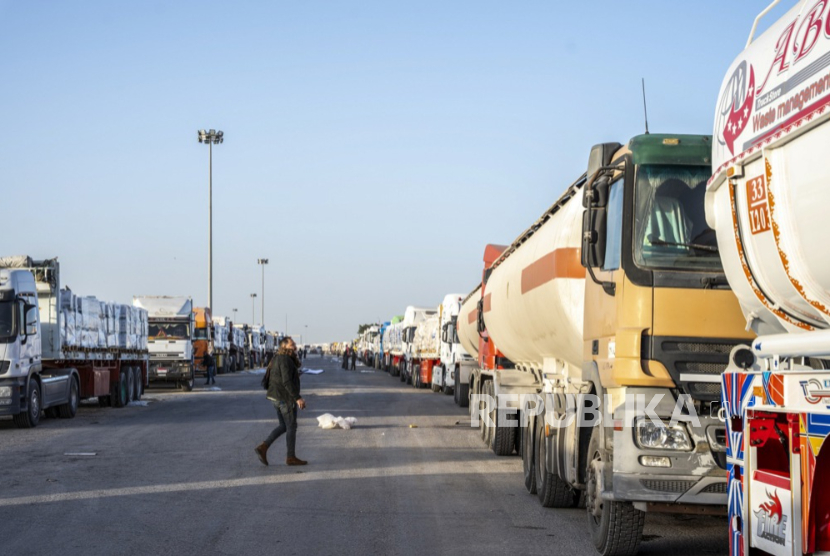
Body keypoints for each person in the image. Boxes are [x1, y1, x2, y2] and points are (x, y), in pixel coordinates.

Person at [255, 337, 307, 466]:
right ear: (284, 346)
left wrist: (296, 374)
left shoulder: (279, 357)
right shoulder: (284, 359)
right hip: (284, 398)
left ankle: (263, 447)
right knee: (291, 426)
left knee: (284, 425)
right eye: (292, 344)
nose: (294, 345)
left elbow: (282, 376)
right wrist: (297, 397)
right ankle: (291, 457)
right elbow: (286, 381)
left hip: (276, 397)